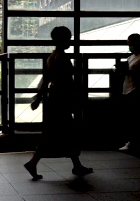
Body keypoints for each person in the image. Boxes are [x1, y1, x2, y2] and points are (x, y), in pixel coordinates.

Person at [24, 26, 93, 181]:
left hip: (56, 100)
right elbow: (58, 80)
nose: (70, 40)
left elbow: (46, 79)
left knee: (58, 133)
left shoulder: (54, 56)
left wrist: (38, 98)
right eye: (68, 38)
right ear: (62, 39)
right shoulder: (61, 57)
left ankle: (75, 165)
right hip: (61, 100)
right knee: (64, 132)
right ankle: (35, 162)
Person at [116, 33, 140, 151]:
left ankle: (134, 142)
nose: (129, 46)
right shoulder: (130, 58)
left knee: (134, 118)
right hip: (127, 89)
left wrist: (128, 72)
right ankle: (131, 141)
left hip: (135, 90)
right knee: (130, 118)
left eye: (130, 44)